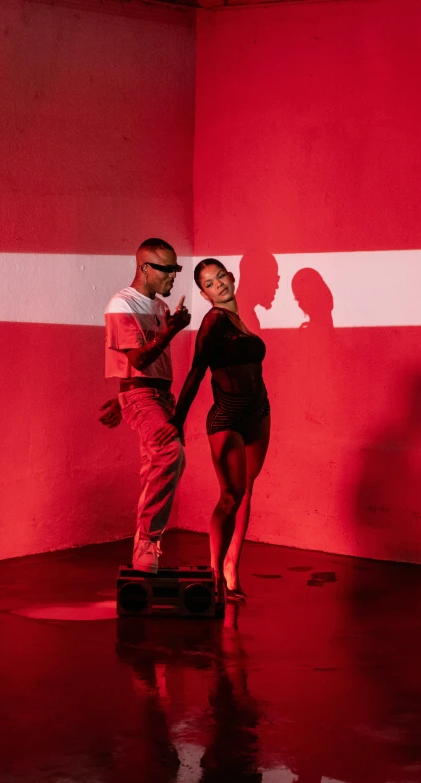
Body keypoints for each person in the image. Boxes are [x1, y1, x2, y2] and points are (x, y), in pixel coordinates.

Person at [155, 259, 270, 604]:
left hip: (259, 412)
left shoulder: (241, 321)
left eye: (221, 276)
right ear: (205, 294)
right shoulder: (215, 320)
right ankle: (215, 574)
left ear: (231, 278)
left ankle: (234, 566)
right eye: (209, 283)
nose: (218, 284)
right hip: (227, 417)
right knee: (230, 497)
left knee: (248, 490)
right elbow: (196, 371)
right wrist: (177, 420)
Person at [101, 238, 191, 573]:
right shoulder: (123, 304)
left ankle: (146, 544)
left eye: (176, 269)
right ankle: (147, 541)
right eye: (166, 269)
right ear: (144, 268)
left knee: (161, 466)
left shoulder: (157, 307)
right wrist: (171, 331)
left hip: (158, 396)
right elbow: (138, 359)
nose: (172, 277)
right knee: (170, 453)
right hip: (143, 396)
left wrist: (122, 400)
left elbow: (139, 366)